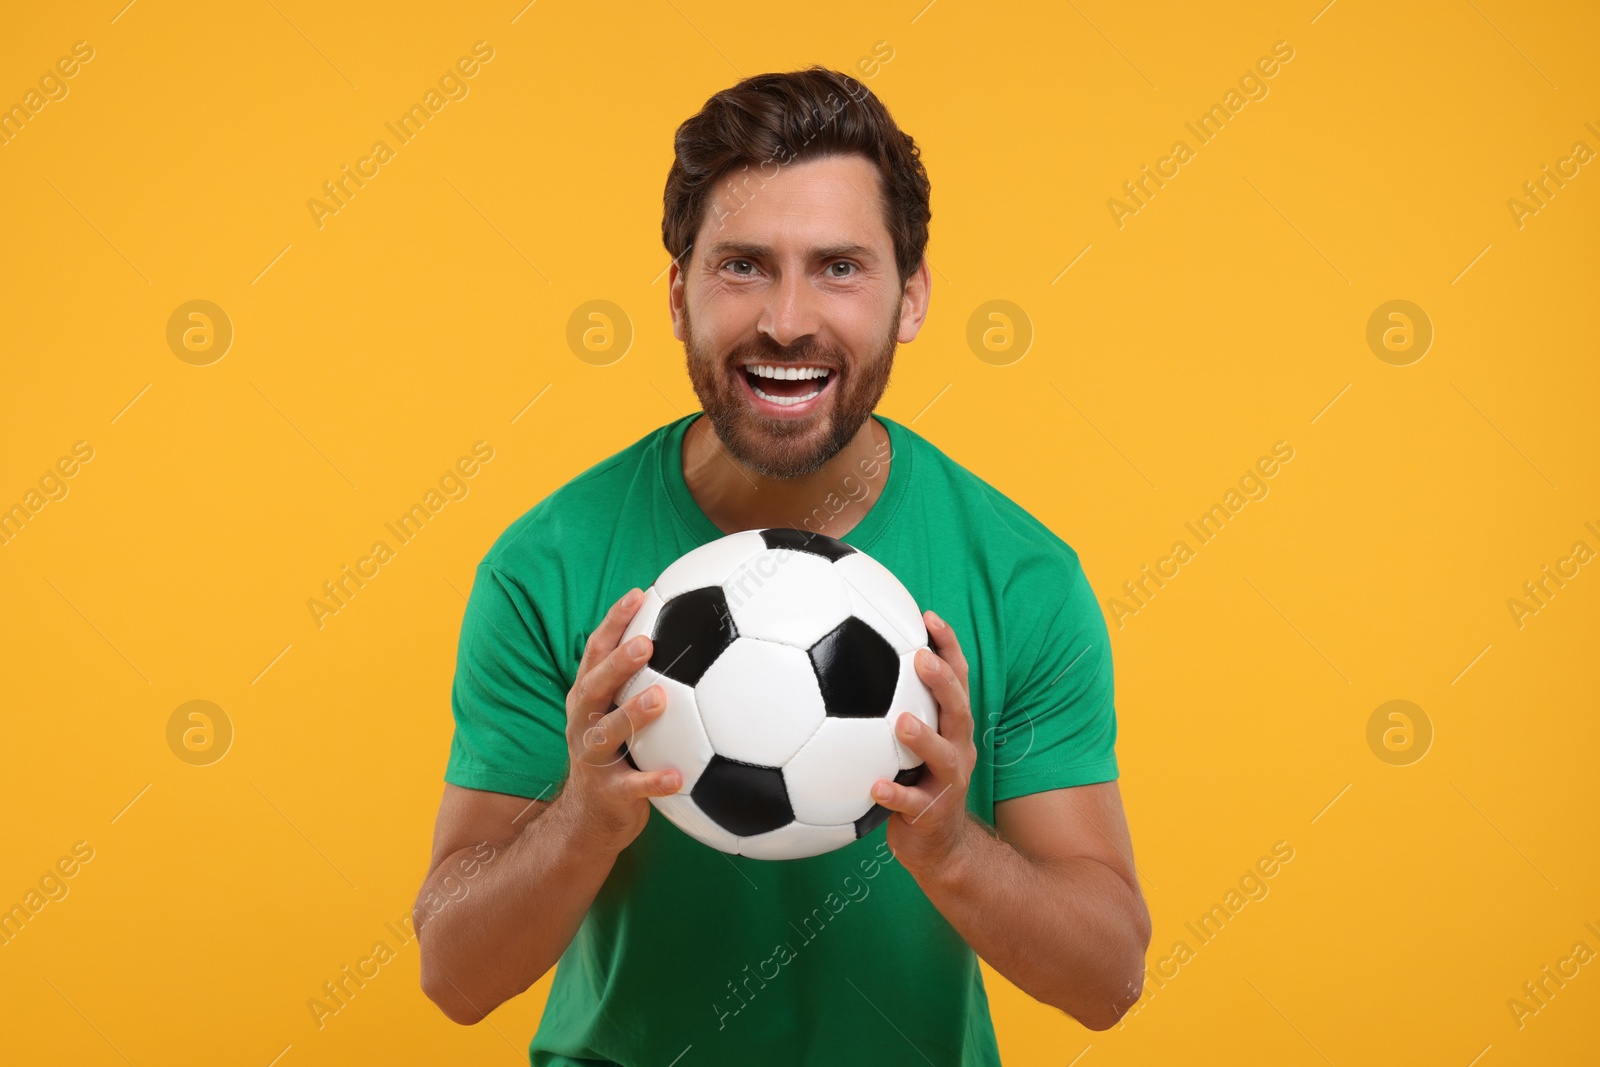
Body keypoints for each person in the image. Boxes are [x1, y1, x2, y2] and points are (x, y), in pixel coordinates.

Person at [415, 65, 1151, 1065]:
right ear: (679, 296)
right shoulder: (549, 563)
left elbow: (1107, 978)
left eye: (839, 266)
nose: (788, 319)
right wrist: (582, 819)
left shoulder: (1020, 577)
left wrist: (952, 847)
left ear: (911, 297)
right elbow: (455, 974)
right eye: (744, 265)